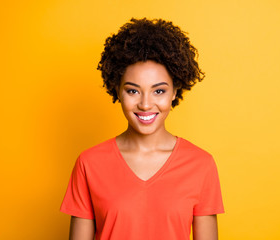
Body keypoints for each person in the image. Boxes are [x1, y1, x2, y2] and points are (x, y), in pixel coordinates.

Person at [60, 18, 225, 240]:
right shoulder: (89, 163)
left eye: (158, 91)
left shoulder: (201, 165)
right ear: (117, 89)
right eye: (133, 91)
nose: (145, 104)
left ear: (175, 91)